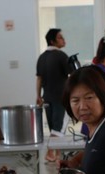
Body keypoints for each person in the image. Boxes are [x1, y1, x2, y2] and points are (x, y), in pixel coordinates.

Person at [36, 28, 70, 162]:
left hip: (47, 97)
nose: (64, 40)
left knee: (53, 127)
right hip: (60, 97)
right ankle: (50, 153)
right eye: (60, 37)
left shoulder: (42, 57)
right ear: (53, 41)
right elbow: (72, 75)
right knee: (58, 127)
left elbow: (39, 78)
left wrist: (38, 95)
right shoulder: (61, 56)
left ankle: (57, 155)